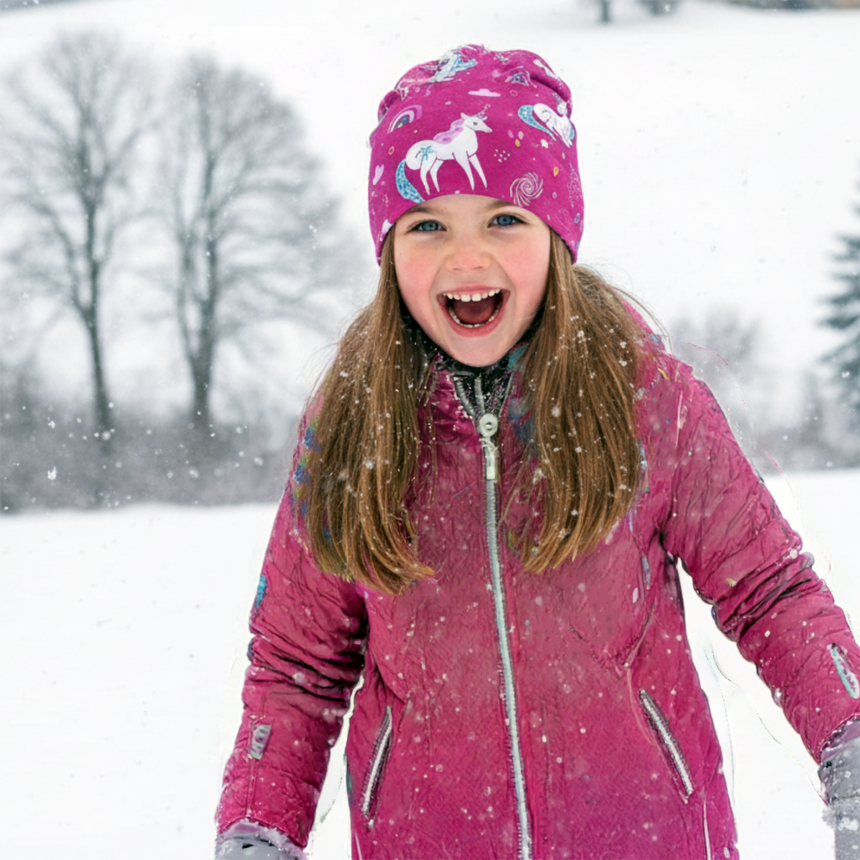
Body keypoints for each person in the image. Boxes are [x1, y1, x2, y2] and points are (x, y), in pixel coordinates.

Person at [214, 45, 860, 859]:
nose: (466, 256)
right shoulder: (351, 427)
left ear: (556, 233)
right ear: (387, 250)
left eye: (503, 219)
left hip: (648, 840)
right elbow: (296, 668)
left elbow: (769, 590)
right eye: (427, 225)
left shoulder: (641, 399)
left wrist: (850, 742)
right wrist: (258, 829)